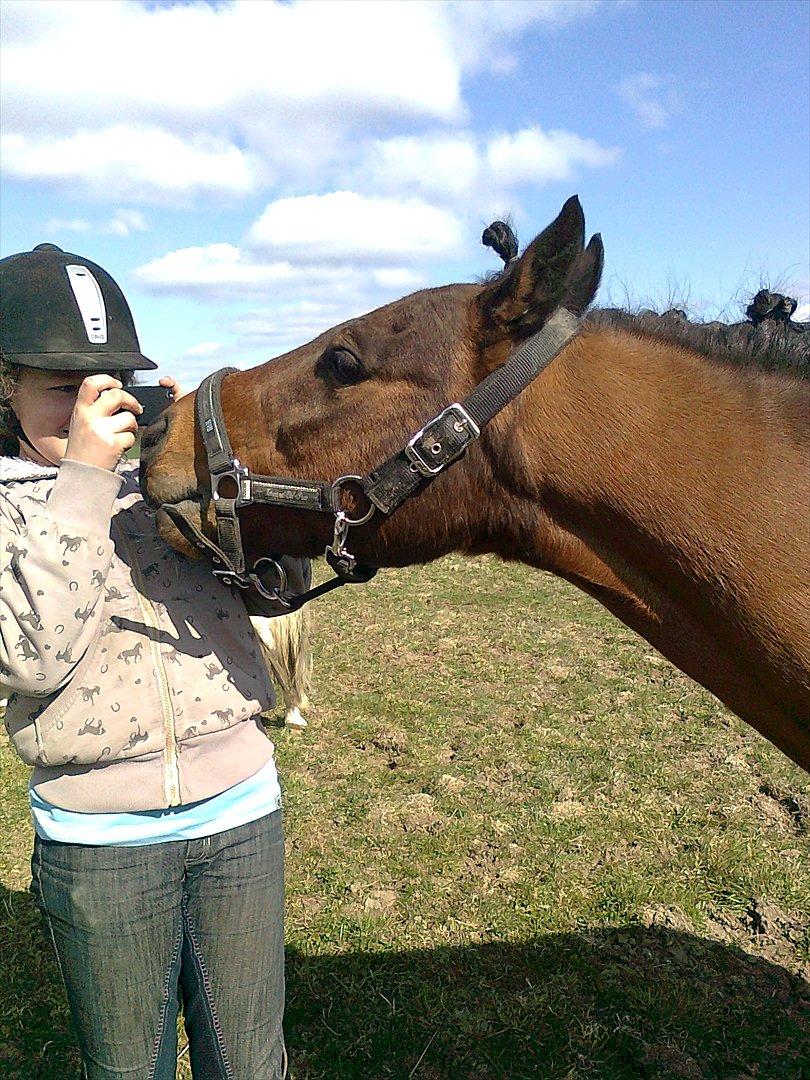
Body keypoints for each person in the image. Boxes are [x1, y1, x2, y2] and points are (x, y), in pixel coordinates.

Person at [0, 243, 305, 1078]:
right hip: (99, 842)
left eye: (110, 385)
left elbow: (278, 592)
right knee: (127, 1067)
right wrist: (87, 484)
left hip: (240, 812)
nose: (93, 408)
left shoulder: (160, 484)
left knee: (249, 1064)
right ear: (5, 385)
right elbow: (29, 657)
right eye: (64, 387)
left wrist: (216, 469)